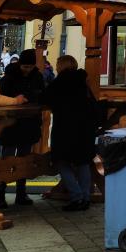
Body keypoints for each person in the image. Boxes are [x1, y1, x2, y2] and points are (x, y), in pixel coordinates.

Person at [41, 55, 98, 211]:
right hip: (85, 129)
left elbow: (45, 98)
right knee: (83, 162)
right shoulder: (83, 82)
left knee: (61, 161)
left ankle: (76, 196)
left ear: (60, 66)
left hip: (65, 128)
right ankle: (85, 197)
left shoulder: (59, 83)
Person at [0, 50, 46, 209]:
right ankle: (0, 193)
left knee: (24, 159)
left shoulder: (37, 76)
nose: (27, 69)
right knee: (7, 159)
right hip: (11, 123)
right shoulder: (9, 77)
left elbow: (41, 93)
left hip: (28, 123)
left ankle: (21, 193)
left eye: (30, 66)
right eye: (25, 66)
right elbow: (2, 96)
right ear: (19, 64)